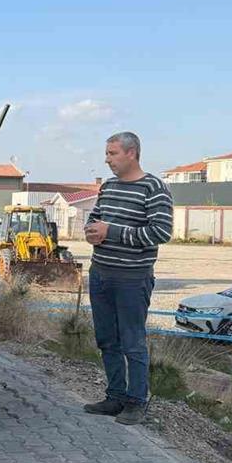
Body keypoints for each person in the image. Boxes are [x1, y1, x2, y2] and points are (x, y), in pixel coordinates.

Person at [82, 132, 173, 425]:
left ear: (131, 153)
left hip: (132, 279)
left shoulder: (153, 188)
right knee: (107, 339)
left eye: (112, 154)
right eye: (107, 154)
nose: (107, 159)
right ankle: (115, 396)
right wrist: (92, 230)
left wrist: (113, 232)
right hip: (101, 274)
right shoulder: (108, 187)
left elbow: (161, 232)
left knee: (132, 341)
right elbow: (95, 217)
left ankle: (136, 401)